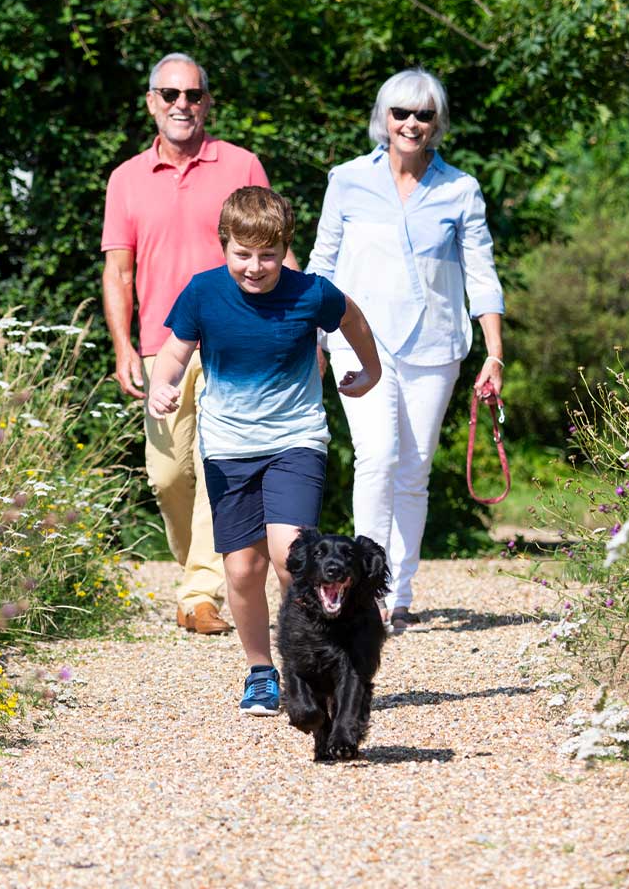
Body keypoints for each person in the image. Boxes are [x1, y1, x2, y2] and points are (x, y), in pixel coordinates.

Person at [147, 186, 381, 715]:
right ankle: (259, 671)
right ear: (224, 245)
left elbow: (355, 321)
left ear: (285, 249)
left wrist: (371, 370)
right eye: (243, 255)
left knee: (289, 556)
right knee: (242, 571)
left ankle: (312, 664)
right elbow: (174, 352)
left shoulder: (310, 293)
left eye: (269, 255)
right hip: (229, 448)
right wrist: (165, 385)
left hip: (296, 439)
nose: (255, 267)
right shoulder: (203, 293)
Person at [307, 68, 505, 635]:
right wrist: (314, 337)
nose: (411, 124)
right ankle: (363, 592)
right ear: (383, 118)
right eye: (400, 113)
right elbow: (322, 264)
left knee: (413, 471)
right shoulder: (346, 181)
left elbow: (482, 275)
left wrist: (493, 354)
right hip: (356, 338)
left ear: (437, 122)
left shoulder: (459, 189)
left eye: (423, 114)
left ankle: (400, 590)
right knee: (376, 455)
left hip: (435, 346)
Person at [102, 53, 290, 636]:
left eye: (193, 95)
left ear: (207, 101)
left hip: (238, 340)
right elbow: (118, 273)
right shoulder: (126, 178)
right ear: (151, 102)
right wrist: (123, 347)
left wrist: (301, 324)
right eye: (169, 94)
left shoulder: (241, 163)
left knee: (219, 464)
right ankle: (197, 574)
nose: (182, 104)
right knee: (166, 473)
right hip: (162, 342)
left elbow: (273, 248)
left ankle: (200, 591)